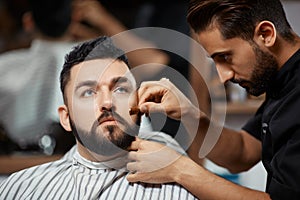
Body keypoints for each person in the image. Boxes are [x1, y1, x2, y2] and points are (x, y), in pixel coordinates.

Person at [126, 0, 300, 199]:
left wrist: (178, 168)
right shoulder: (282, 79)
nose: (223, 76)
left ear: (266, 34)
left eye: (225, 57)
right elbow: (243, 152)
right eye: (215, 61)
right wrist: (189, 114)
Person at [0, 36, 197, 199]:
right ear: (66, 118)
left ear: (139, 103)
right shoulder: (22, 189)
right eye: (88, 92)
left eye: (120, 89)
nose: (107, 102)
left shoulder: (176, 169)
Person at [0, 0, 76, 153]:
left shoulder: (5, 66)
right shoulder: (99, 62)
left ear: (28, 21)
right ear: (74, 19)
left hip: (12, 167)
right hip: (81, 167)